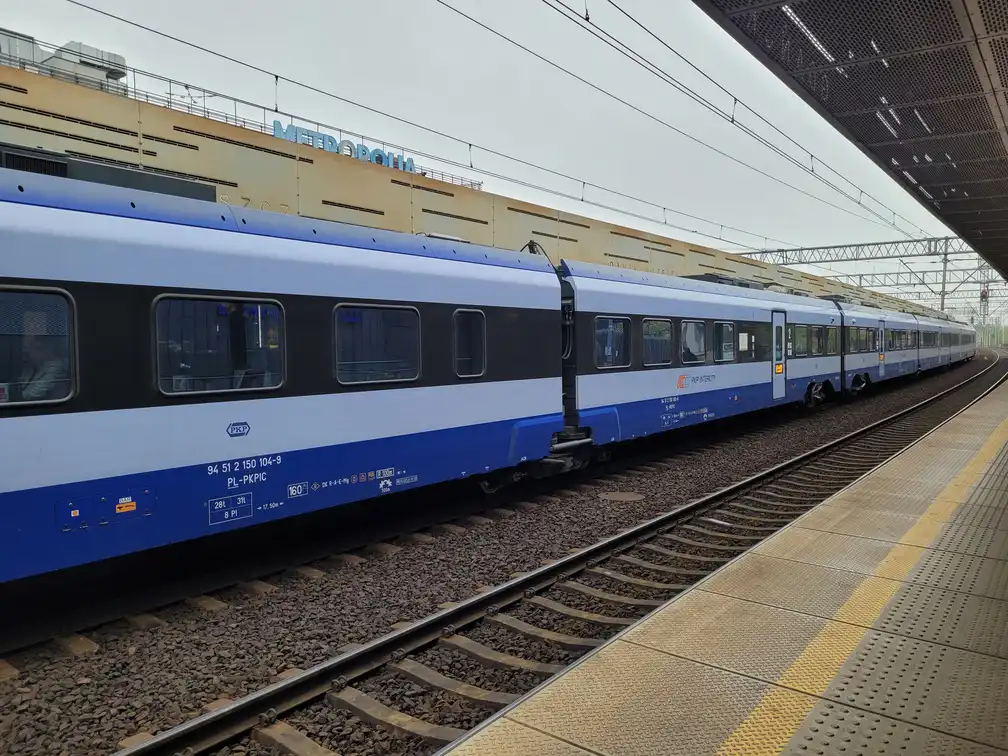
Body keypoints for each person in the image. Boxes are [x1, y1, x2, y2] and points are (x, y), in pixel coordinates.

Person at [18, 334, 66, 402]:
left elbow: (34, 394)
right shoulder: (32, 367)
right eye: (30, 348)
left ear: (48, 349)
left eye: (37, 349)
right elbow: (21, 385)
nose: (30, 352)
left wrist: (13, 396)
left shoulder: (55, 367)